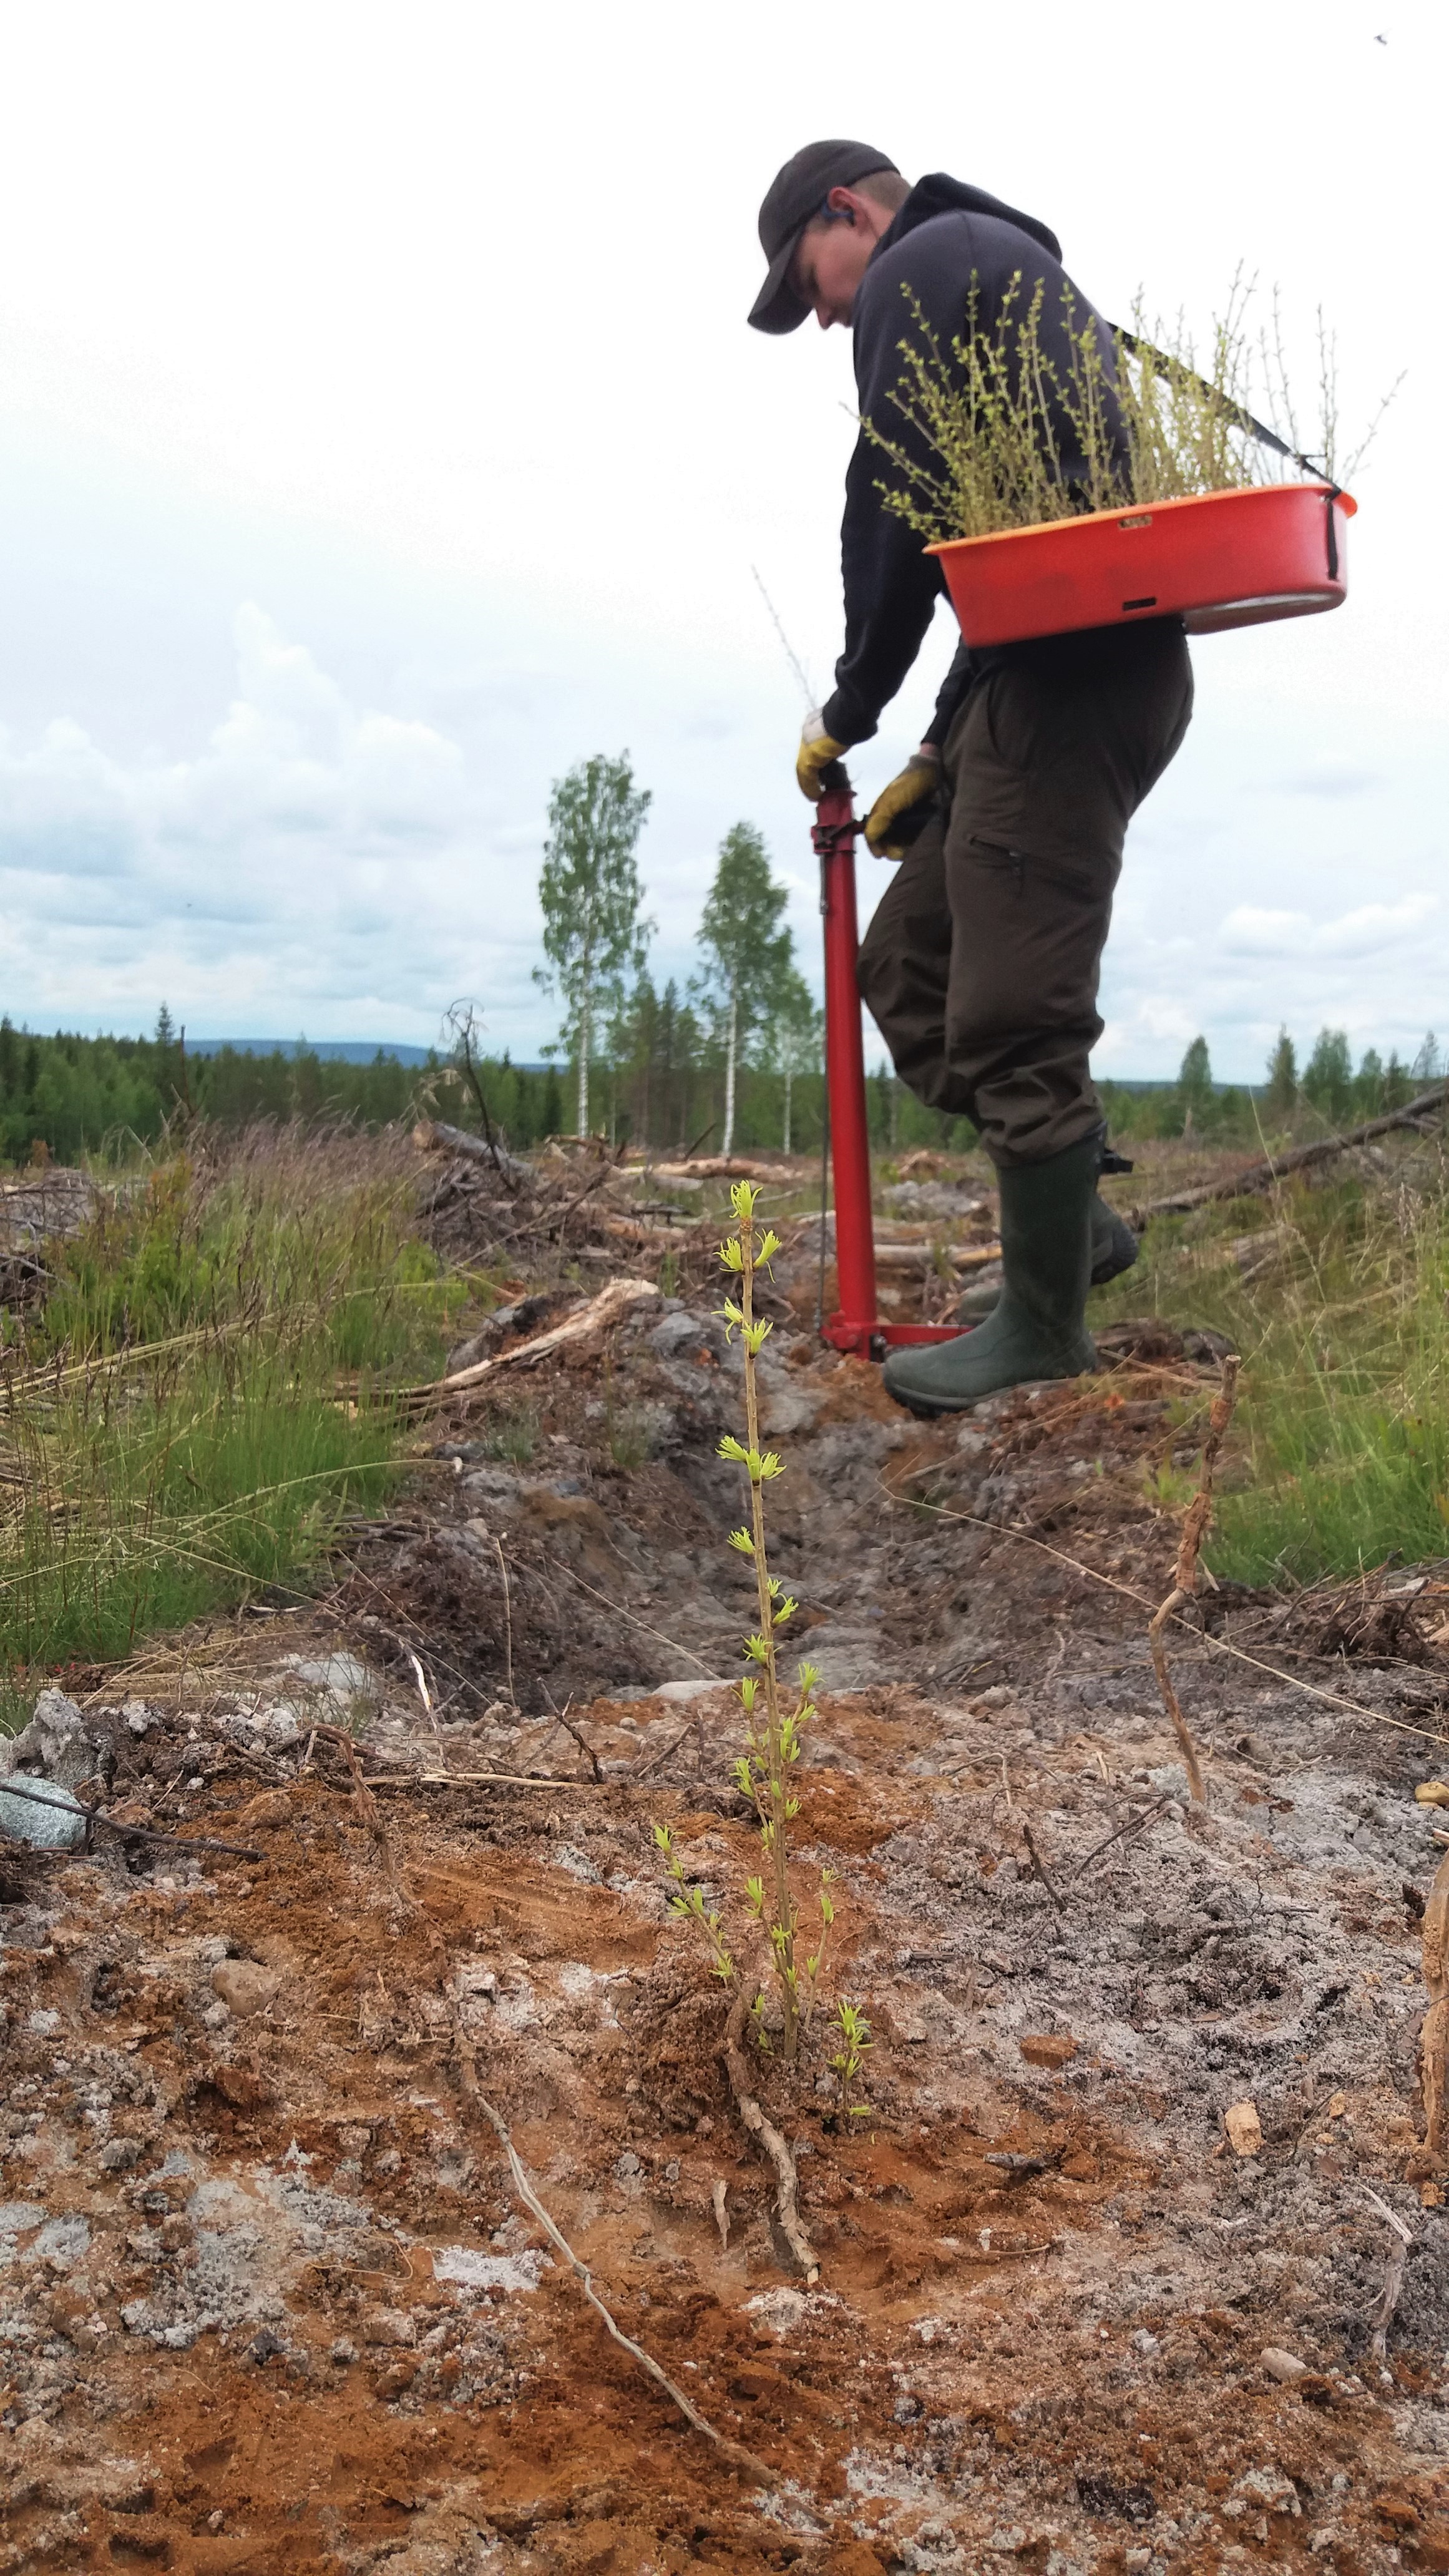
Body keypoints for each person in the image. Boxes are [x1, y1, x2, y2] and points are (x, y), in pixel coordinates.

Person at [749, 142, 1193, 1413]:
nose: (826, 309)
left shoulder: (925, 263)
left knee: (1013, 1013)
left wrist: (852, 707)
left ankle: (1047, 1331)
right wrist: (939, 747)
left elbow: (890, 499)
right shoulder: (996, 274)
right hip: (1026, 684)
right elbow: (994, 559)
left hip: (1075, 685)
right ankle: (1080, 1231)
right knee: (912, 966)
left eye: (811, 280)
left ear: (848, 214)